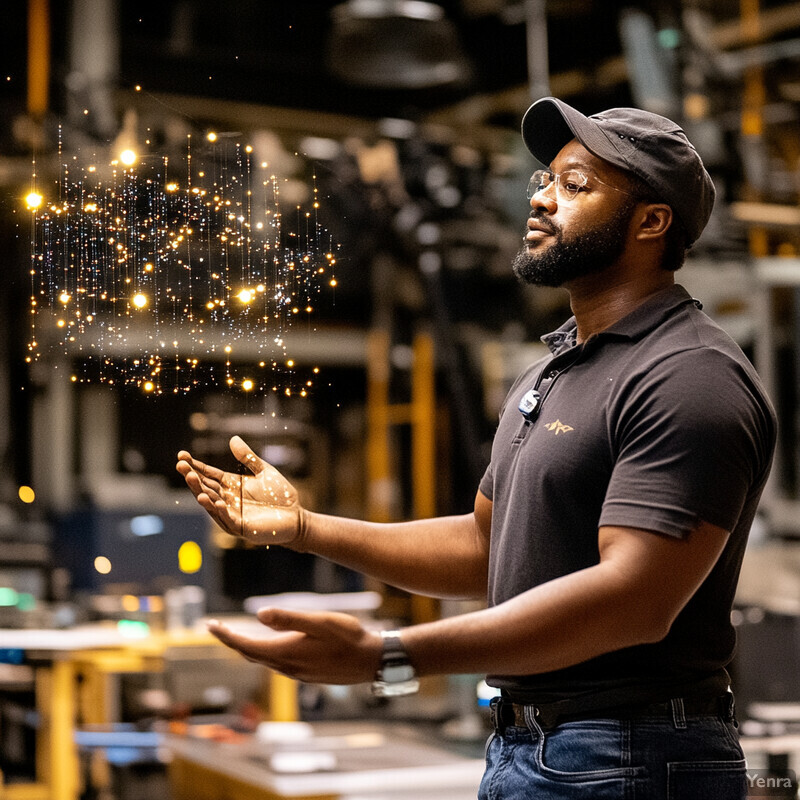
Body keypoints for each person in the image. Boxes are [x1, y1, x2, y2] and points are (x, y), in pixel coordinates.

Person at [176, 96, 777, 800]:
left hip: (629, 754)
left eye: (576, 185)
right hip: (534, 746)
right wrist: (308, 529)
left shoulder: (688, 376)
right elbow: (488, 548)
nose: (544, 199)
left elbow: (633, 600)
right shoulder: (553, 370)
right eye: (543, 181)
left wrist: (390, 656)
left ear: (651, 221)